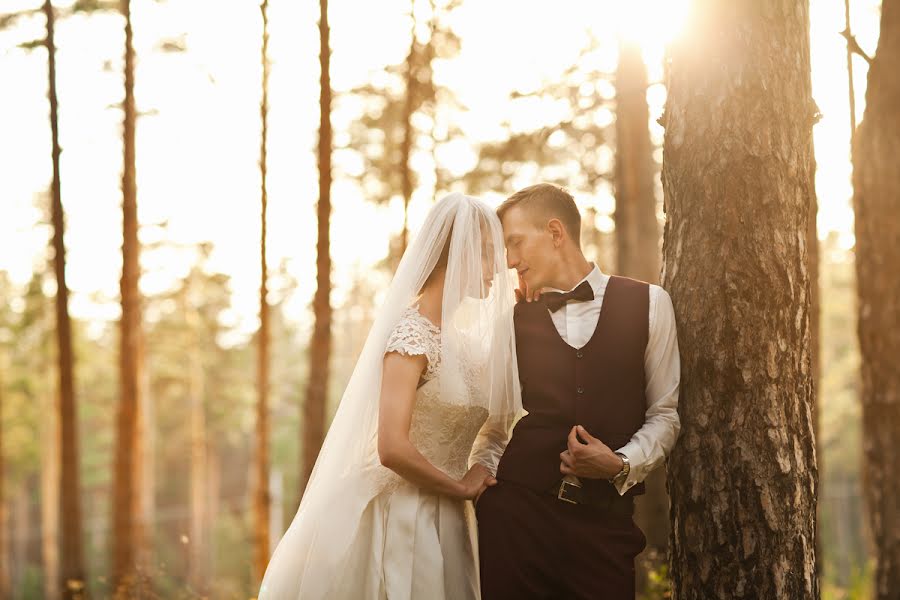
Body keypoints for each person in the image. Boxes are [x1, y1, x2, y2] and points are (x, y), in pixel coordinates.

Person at [259, 192, 520, 599]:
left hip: (448, 517)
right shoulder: (410, 336)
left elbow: (499, 419)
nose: (498, 268)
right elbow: (391, 447)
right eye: (486, 254)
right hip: (403, 516)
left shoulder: (464, 343)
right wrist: (460, 488)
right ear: (454, 254)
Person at [476, 183, 681, 600]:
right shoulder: (511, 321)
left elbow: (665, 414)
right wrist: (484, 487)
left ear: (555, 233)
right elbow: (492, 429)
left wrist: (620, 464)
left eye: (515, 244)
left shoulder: (650, 304)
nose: (510, 261)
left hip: (604, 530)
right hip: (515, 522)